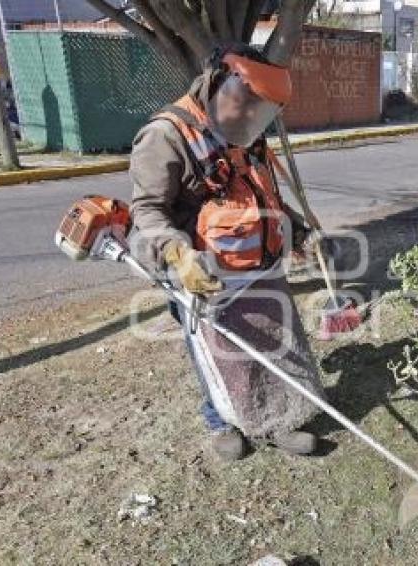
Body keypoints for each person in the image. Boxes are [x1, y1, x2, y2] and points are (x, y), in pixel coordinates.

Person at [128, 43, 325, 461]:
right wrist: (178, 256)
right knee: (218, 353)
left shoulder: (246, 132)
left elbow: (261, 193)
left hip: (258, 266)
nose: (249, 116)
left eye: (261, 109)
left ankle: (278, 419)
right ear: (217, 81)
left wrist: (297, 230)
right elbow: (146, 210)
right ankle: (222, 421)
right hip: (202, 273)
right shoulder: (165, 135)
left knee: (274, 341)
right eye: (245, 101)